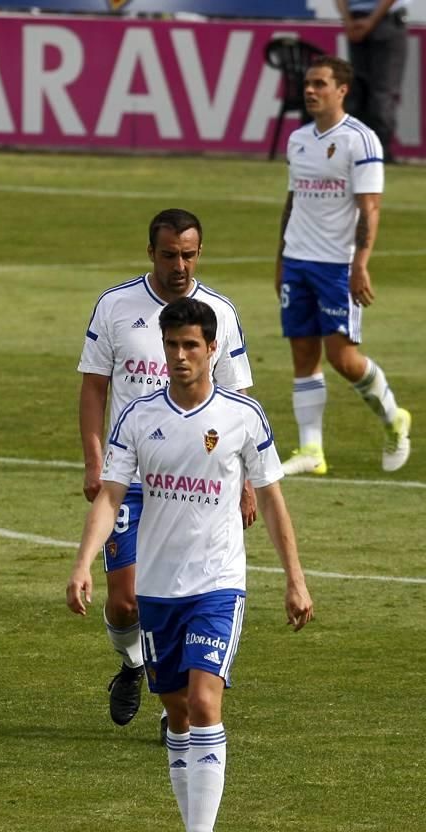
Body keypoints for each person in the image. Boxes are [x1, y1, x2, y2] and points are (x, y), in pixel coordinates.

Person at [67, 297, 313, 832]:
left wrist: (295, 579)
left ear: (211, 351)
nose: (179, 357)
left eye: (191, 347)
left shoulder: (243, 417)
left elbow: (273, 500)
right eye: (172, 346)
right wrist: (82, 564)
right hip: (156, 589)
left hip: (217, 585)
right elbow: (110, 496)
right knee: (177, 715)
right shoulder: (137, 419)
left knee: (204, 704)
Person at [77, 209, 255, 732]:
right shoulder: (116, 306)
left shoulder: (218, 312)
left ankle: (171, 708)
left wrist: (245, 482)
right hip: (131, 477)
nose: (180, 265)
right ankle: (133, 666)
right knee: (126, 601)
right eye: (170, 254)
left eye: (189, 254)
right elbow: (94, 387)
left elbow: (239, 404)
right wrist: (94, 462)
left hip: (196, 484)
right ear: (150, 253)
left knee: (184, 592)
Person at [274, 53, 411, 477]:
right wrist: (279, 258)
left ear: (342, 90)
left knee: (343, 358)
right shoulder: (298, 140)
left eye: (320, 84)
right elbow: (293, 199)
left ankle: (394, 418)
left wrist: (361, 264)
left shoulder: (361, 140)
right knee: (302, 351)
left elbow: (370, 208)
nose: (310, 90)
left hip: (336, 265)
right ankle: (312, 450)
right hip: (297, 260)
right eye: (308, 84)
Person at [335, 0, 409, 164]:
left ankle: (359, 150)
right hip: (385, 20)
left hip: (355, 19)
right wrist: (371, 22)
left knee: (359, 91)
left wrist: (348, 22)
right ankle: (379, 151)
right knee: (383, 91)